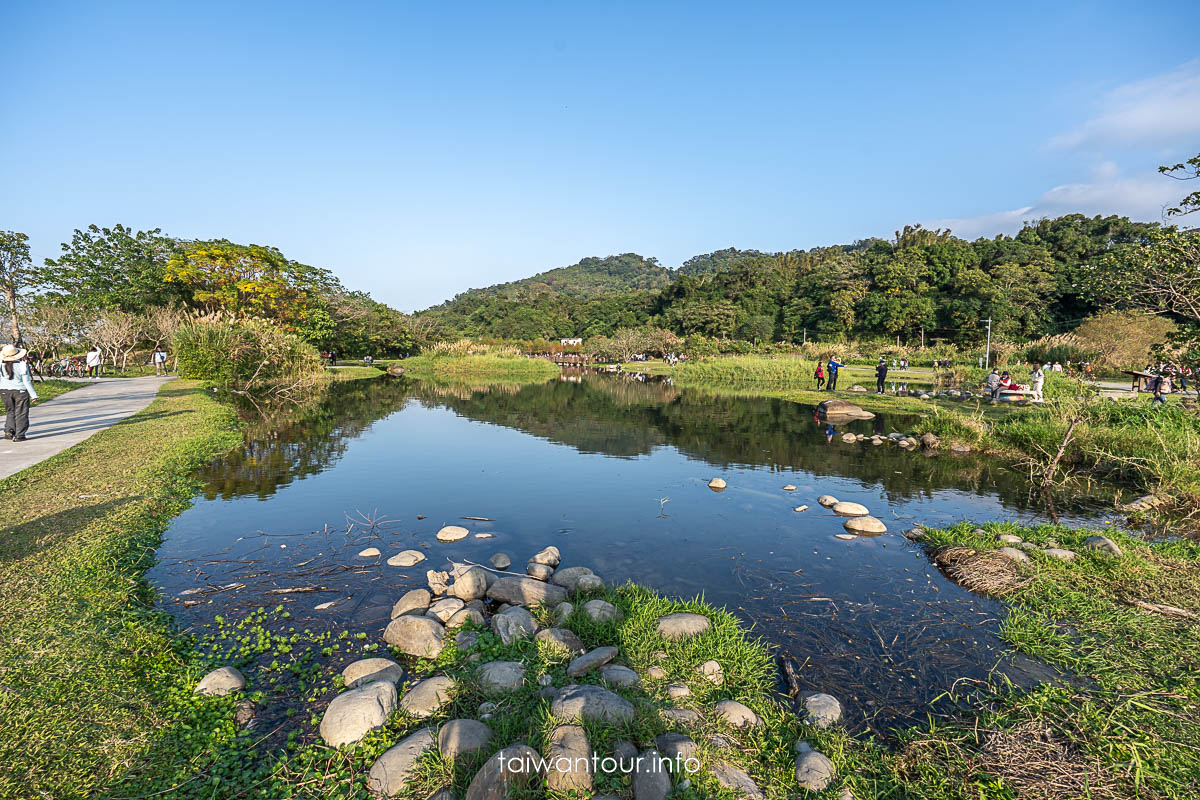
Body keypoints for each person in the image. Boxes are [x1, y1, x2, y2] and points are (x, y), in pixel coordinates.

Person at [0, 344, 39, 441]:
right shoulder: (22, 365)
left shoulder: (1, 365)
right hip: (20, 392)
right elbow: (26, 381)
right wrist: (33, 395)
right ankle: (19, 435)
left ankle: (9, 431)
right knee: (21, 413)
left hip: (4, 391)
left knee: (10, 411)